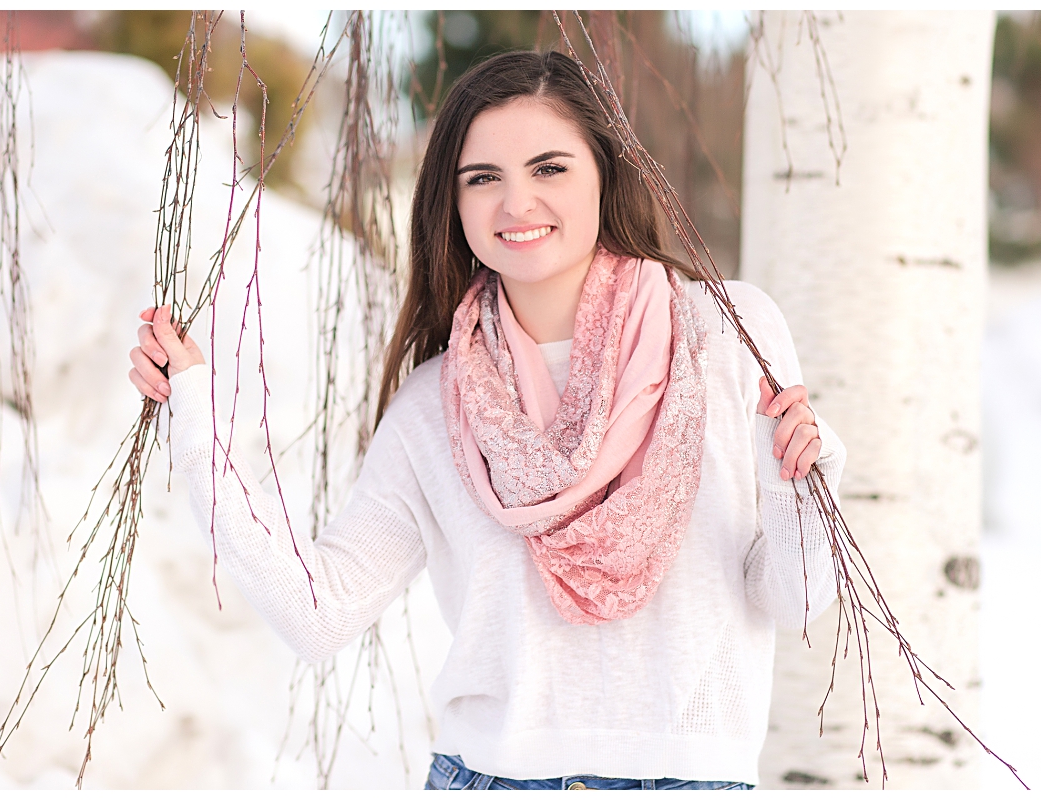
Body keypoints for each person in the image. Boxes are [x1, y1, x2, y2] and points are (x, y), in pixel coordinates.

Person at [128, 50, 844, 791]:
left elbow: (791, 598)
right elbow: (319, 614)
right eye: (482, 179)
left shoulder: (727, 333)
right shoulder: (434, 410)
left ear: (604, 172)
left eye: (549, 168)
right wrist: (196, 420)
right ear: (453, 202)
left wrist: (799, 481)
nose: (516, 203)